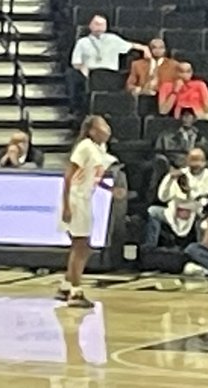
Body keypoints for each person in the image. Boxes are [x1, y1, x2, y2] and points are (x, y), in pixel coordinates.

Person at [57, 115, 121, 308]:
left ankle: (66, 286)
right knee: (80, 245)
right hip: (76, 199)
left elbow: (92, 177)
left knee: (83, 246)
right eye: (103, 126)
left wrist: (110, 189)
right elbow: (69, 176)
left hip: (86, 198)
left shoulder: (100, 149)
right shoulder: (84, 146)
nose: (107, 129)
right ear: (92, 130)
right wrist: (66, 205)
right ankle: (75, 293)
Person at [142, 147, 208, 253]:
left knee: (206, 222)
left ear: (204, 162)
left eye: (199, 160)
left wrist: (194, 205)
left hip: (197, 214)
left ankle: (201, 252)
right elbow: (163, 197)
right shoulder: (178, 174)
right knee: (153, 211)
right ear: (187, 161)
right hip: (174, 213)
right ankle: (150, 248)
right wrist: (169, 179)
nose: (196, 164)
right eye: (192, 160)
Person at [67, 15, 149, 119]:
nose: (99, 27)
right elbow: (75, 62)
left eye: (102, 24)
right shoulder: (82, 42)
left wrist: (145, 48)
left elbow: (131, 46)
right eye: (96, 24)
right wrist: (83, 69)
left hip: (112, 76)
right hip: (91, 74)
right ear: (90, 25)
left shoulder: (113, 39)